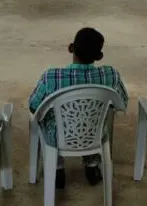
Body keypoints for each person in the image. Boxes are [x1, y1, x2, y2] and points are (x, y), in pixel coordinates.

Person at [28, 28, 128, 189]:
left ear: (71, 48)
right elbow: (121, 103)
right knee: (92, 120)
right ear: (99, 56)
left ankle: (57, 168)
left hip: (58, 138)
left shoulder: (52, 77)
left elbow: (33, 106)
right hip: (93, 134)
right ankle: (91, 164)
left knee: (47, 120)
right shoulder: (110, 76)